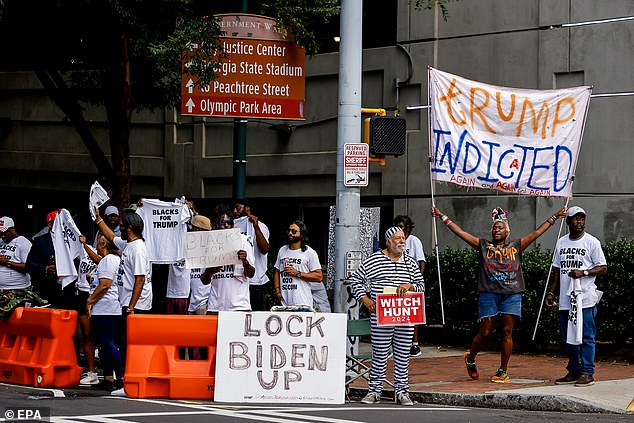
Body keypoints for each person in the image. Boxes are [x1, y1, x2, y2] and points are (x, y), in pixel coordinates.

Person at [431, 205, 566, 383]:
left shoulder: (516, 246)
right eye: (495, 228)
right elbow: (461, 233)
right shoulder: (483, 246)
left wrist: (555, 217)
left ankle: (503, 370)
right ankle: (470, 358)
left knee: (507, 332)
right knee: (485, 333)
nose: (497, 230)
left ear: (507, 231)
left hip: (511, 294)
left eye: (500, 227)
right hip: (489, 294)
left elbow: (537, 232)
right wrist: (442, 216)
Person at [349, 226, 425, 406]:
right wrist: (365, 299)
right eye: (397, 238)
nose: (401, 241)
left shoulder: (410, 262)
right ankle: (374, 391)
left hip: (404, 316)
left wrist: (409, 286)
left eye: (403, 238)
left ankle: (402, 392)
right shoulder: (374, 260)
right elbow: (356, 280)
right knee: (380, 354)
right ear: (388, 241)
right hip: (381, 316)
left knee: (402, 355)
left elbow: (421, 286)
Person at [545, 206, 607, 387]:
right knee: (568, 336)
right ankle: (574, 370)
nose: (579, 221)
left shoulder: (591, 242)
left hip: (585, 298)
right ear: (568, 221)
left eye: (582, 218)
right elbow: (557, 269)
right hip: (566, 299)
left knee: (587, 335)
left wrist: (584, 272)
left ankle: (587, 372)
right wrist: (551, 292)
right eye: (575, 218)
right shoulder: (562, 242)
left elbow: (603, 267)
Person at [93, 207, 152, 373]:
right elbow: (111, 236)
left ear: (130, 228)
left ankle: (129, 378)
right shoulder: (128, 244)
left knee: (129, 344)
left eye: (123, 227)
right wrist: (98, 219)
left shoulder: (138, 249)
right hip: (127, 303)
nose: (120, 229)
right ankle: (126, 379)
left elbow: (140, 279)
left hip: (136, 305)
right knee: (123, 342)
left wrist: (131, 306)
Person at [83, 234, 124, 390]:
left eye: (98, 245)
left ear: (103, 245)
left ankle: (121, 376)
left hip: (106, 308)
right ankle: (108, 378)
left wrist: (90, 300)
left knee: (107, 343)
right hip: (108, 308)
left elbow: (105, 285)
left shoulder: (108, 260)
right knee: (104, 345)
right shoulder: (112, 260)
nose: (97, 248)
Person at [201, 207, 255, 312]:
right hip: (216, 306)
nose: (226, 225)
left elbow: (251, 274)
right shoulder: (208, 245)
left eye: (229, 222)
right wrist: (211, 270)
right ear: (215, 225)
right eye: (222, 222)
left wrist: (245, 262)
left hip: (239, 306)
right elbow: (204, 280)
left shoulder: (243, 241)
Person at [394, 215, 426, 357]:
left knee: (413, 314)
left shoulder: (413, 241)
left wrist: (416, 281)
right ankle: (400, 344)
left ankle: (415, 344)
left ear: (407, 228)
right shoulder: (394, 242)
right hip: (397, 283)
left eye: (400, 226)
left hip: (410, 283)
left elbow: (421, 261)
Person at [273, 221, 323, 309]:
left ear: (302, 234)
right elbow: (277, 271)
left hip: (302, 303)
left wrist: (298, 273)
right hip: (285, 303)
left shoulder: (309, 252)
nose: (290, 233)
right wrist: (277, 291)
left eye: (294, 231)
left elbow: (319, 276)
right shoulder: (282, 250)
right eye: (289, 231)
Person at [233, 199, 271, 311]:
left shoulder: (261, 226)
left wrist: (256, 227)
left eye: (238, 208)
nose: (235, 211)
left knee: (255, 316)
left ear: (247, 209)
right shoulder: (233, 225)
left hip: (256, 282)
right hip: (238, 279)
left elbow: (264, 249)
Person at [26, 210, 60, 306]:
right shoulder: (40, 241)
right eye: (59, 222)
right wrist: (45, 268)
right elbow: (29, 263)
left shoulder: (70, 240)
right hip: (47, 287)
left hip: (68, 289)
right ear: (50, 224)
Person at [0, 217, 32, 291]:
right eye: (0, 233)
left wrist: (7, 262)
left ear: (13, 229)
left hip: (18, 288)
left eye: (5, 232)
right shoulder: (0, 241)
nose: (3, 235)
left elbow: (29, 267)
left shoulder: (24, 243)